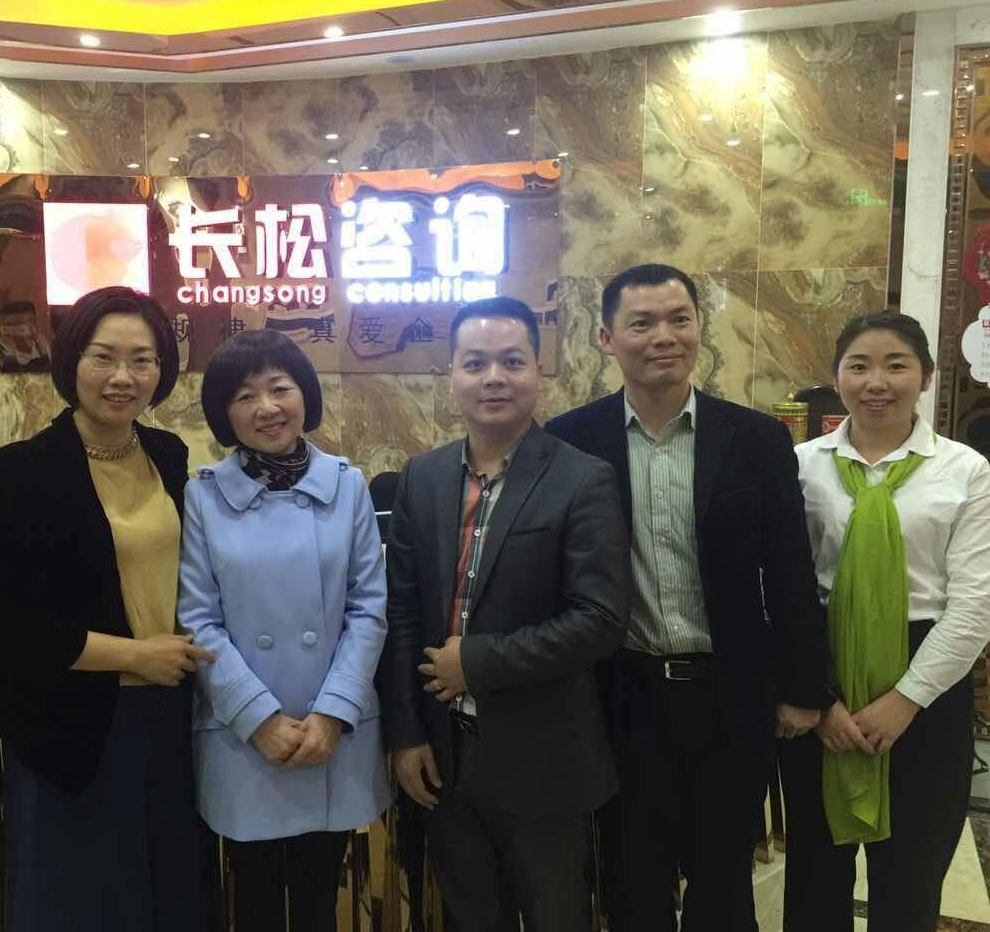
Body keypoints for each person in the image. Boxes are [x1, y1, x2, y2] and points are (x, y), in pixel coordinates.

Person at [545, 263, 828, 932]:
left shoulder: (755, 438)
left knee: (723, 880)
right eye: (641, 323)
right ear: (607, 339)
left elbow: (791, 568)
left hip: (730, 695)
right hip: (622, 697)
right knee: (632, 879)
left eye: (679, 319)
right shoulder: (569, 441)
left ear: (700, 328)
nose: (663, 337)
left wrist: (802, 687)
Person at [381, 295, 630, 931]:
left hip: (545, 760)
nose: (494, 377)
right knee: (469, 917)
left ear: (538, 371)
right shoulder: (422, 477)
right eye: (475, 363)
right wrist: (407, 734)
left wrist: (478, 663)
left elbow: (600, 618)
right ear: (451, 375)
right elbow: (402, 613)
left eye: (512, 361)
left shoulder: (583, 479)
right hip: (445, 757)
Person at [0, 286, 213, 931]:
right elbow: (12, 625)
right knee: (81, 902)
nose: (122, 377)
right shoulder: (24, 469)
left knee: (166, 892)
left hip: (168, 717)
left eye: (142, 360)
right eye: (103, 357)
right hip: (72, 726)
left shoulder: (167, 454)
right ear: (71, 363)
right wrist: (137, 655)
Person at [781, 311, 990, 932]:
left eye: (896, 365)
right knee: (815, 875)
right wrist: (820, 701)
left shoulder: (965, 471)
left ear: (925, 376)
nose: (877, 382)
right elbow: (783, 587)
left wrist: (904, 701)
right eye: (860, 366)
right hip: (821, 671)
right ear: (837, 377)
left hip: (927, 682)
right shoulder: (799, 465)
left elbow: (974, 606)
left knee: (911, 876)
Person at [178, 330, 389, 932]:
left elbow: (368, 607)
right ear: (224, 413)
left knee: (322, 899)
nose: (266, 408)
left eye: (280, 388)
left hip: (332, 735)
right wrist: (259, 719)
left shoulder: (348, 484)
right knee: (255, 902)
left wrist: (333, 713)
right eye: (244, 396)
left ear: (305, 396)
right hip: (245, 738)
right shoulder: (204, 494)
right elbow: (198, 620)